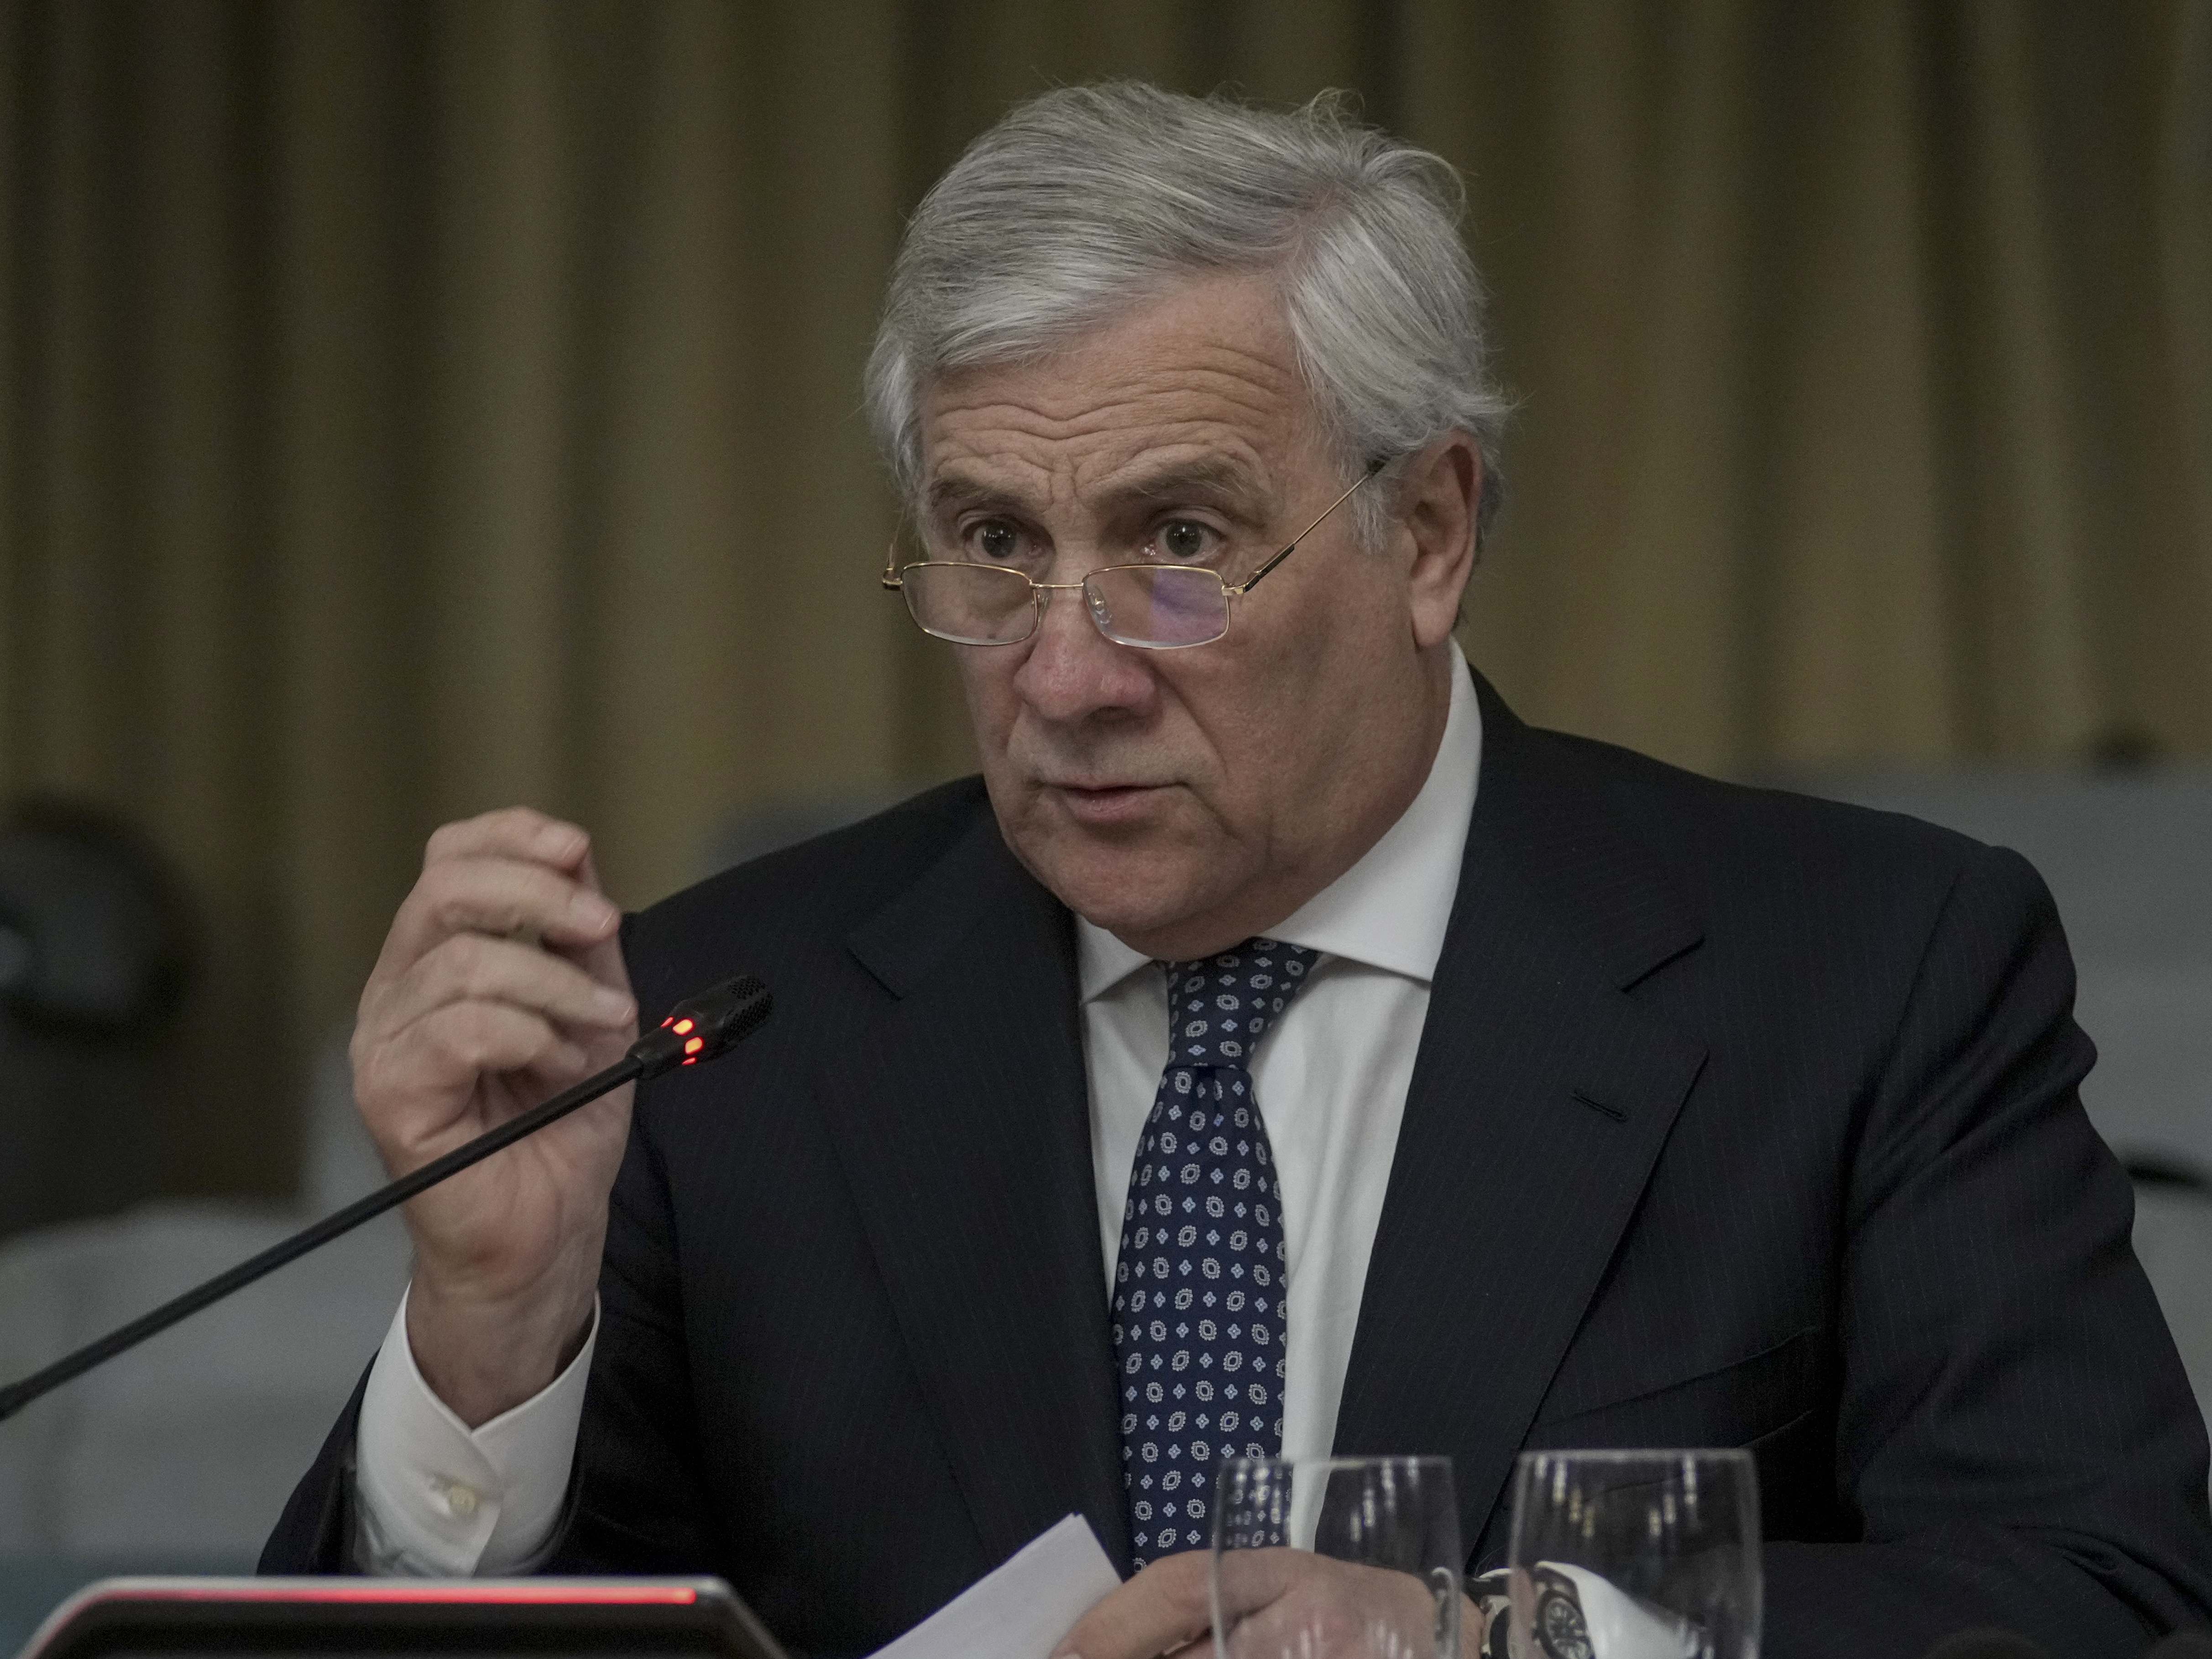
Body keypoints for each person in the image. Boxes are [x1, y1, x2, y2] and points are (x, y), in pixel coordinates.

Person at [263, 83, 2212, 1659]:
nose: (1063, 670)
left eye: (1178, 538)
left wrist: (1502, 1642)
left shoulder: (1867, 974)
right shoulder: (713, 1035)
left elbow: (2096, 1597)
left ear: (1430, 530)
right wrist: (490, 1343)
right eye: (993, 543)